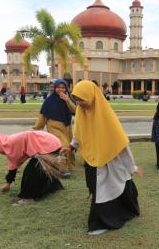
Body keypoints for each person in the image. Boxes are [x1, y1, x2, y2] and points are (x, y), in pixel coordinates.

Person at [61, 80, 142, 236]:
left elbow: (121, 143)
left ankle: (100, 223)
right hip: (91, 157)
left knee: (105, 190)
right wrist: (71, 146)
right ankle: (126, 209)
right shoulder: (80, 111)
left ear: (91, 96)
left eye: (82, 99)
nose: (79, 103)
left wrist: (132, 166)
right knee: (95, 186)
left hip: (109, 159)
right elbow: (79, 133)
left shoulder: (106, 115)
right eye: (76, 99)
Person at [0, 131, 65, 205]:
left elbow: (13, 165)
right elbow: (14, 163)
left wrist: (8, 183)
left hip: (47, 145)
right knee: (39, 167)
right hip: (52, 142)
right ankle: (54, 187)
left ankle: (28, 198)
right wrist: (8, 183)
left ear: (0, 145)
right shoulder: (11, 141)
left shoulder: (12, 143)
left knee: (31, 172)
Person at [34, 79, 77, 172]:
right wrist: (36, 128)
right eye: (58, 87)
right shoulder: (49, 100)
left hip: (67, 126)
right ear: (55, 88)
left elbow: (75, 111)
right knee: (63, 145)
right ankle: (63, 168)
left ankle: (69, 166)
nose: (61, 90)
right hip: (54, 126)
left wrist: (67, 100)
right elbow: (43, 116)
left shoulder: (68, 98)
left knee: (70, 147)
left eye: (63, 87)